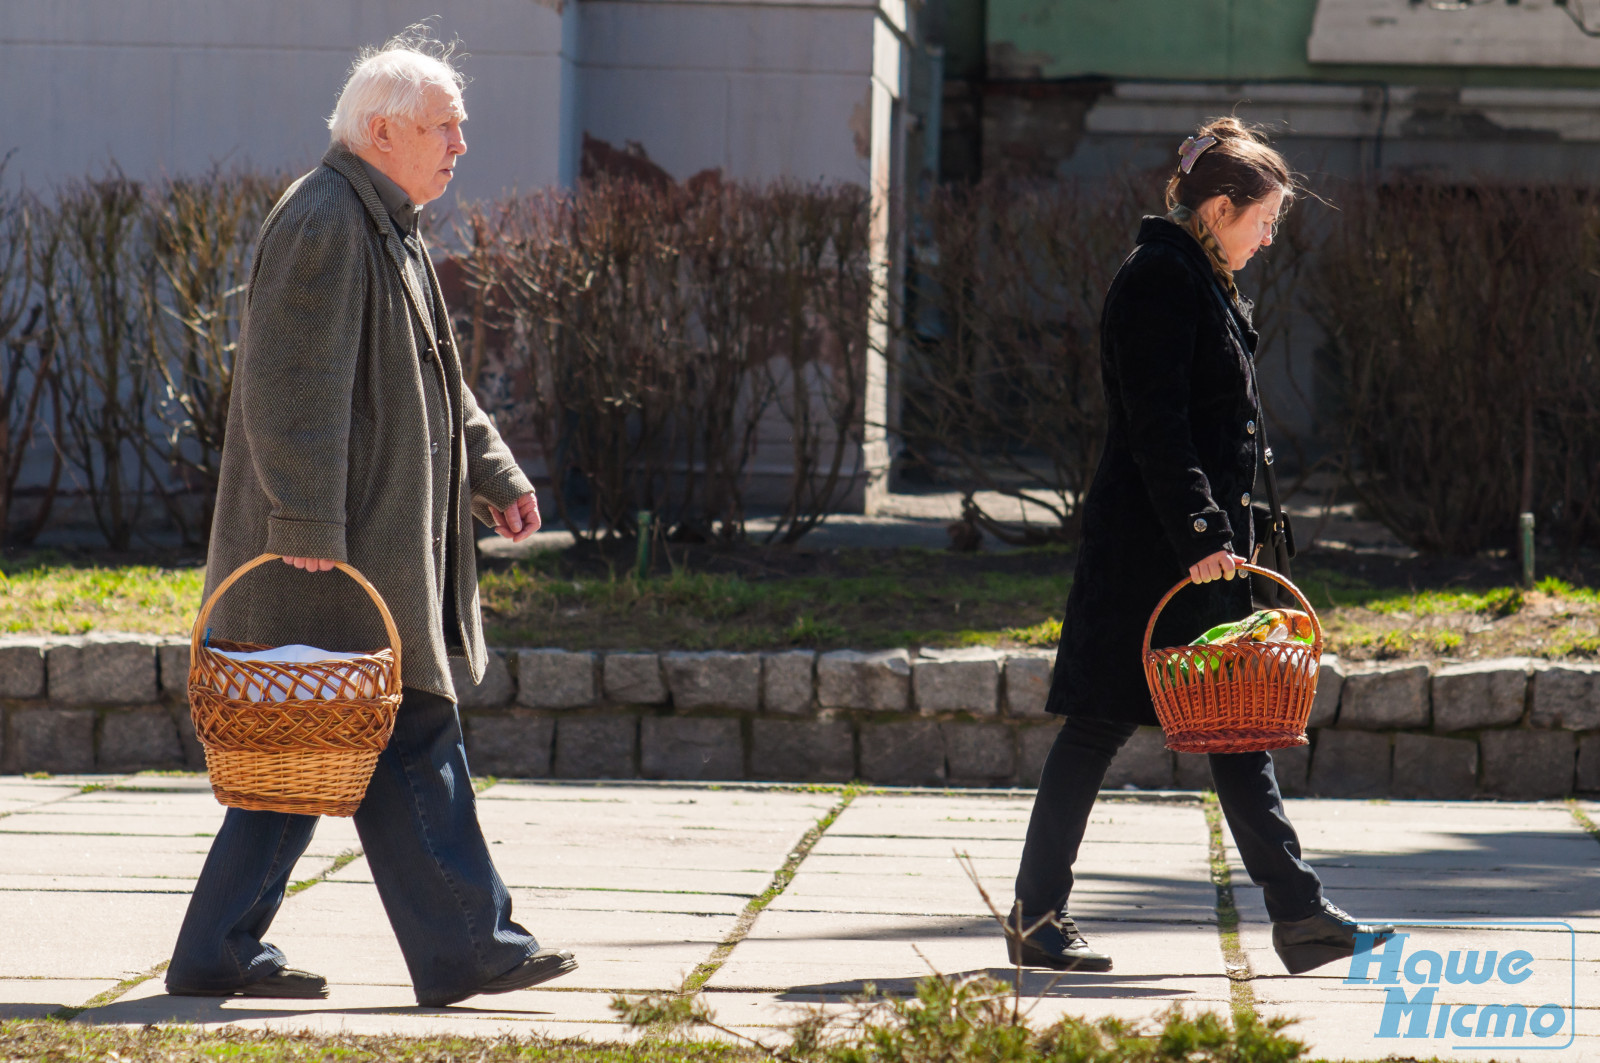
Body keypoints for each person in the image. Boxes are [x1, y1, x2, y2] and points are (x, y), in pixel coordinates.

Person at [165, 31, 576, 1006]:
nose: (461, 144)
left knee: (305, 739)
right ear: (382, 130)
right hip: (334, 547)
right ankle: (471, 944)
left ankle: (217, 947)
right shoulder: (326, 220)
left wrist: (495, 471)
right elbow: (286, 388)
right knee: (404, 724)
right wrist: (303, 522)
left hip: (365, 539)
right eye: (445, 126)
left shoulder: (380, 219)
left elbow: (439, 384)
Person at [1007, 117, 1392, 976]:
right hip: (1158, 553)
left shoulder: (1195, 274)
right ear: (1219, 207)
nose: (1268, 236)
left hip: (1185, 553)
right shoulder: (1160, 279)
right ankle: (1040, 915)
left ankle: (1298, 915)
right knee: (1103, 726)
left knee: (1233, 728)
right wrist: (1204, 532)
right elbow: (1158, 424)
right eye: (1263, 220)